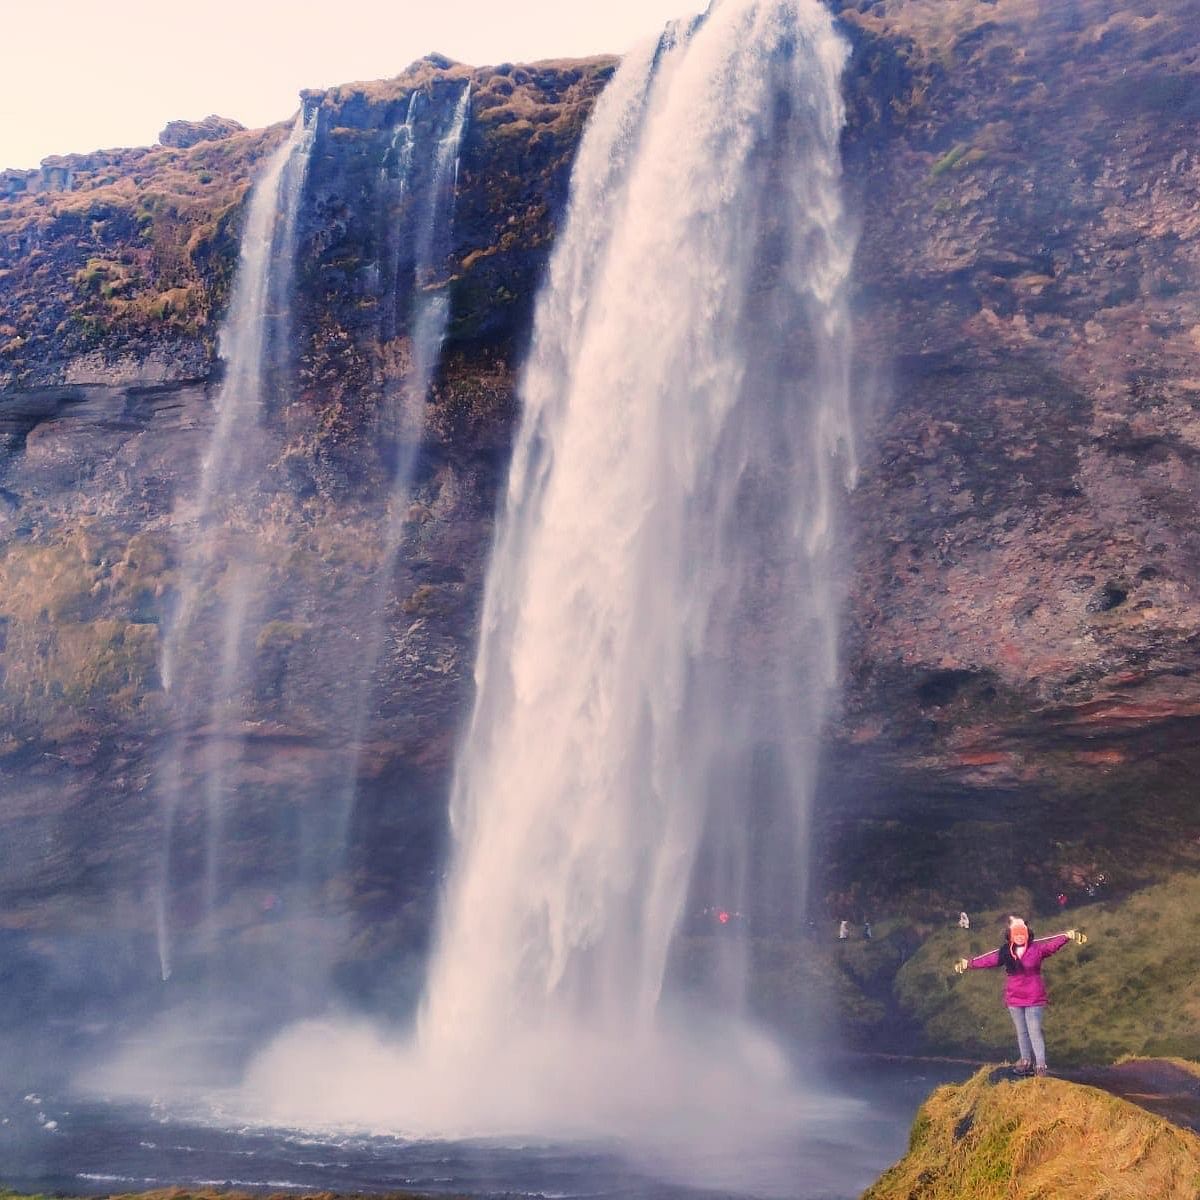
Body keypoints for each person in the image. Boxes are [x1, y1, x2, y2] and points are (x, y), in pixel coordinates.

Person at [953, 915, 1088, 1077]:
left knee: (1034, 1030)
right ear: (1010, 935)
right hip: (1014, 998)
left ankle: (1040, 1066)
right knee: (1021, 1031)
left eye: (1021, 933)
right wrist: (969, 964)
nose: (1018, 936)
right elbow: (988, 960)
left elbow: (1052, 946)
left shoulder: (1037, 950)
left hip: (1033, 997)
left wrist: (1067, 936)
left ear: (1027, 934)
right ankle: (1025, 1061)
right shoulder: (1005, 952)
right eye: (1015, 933)